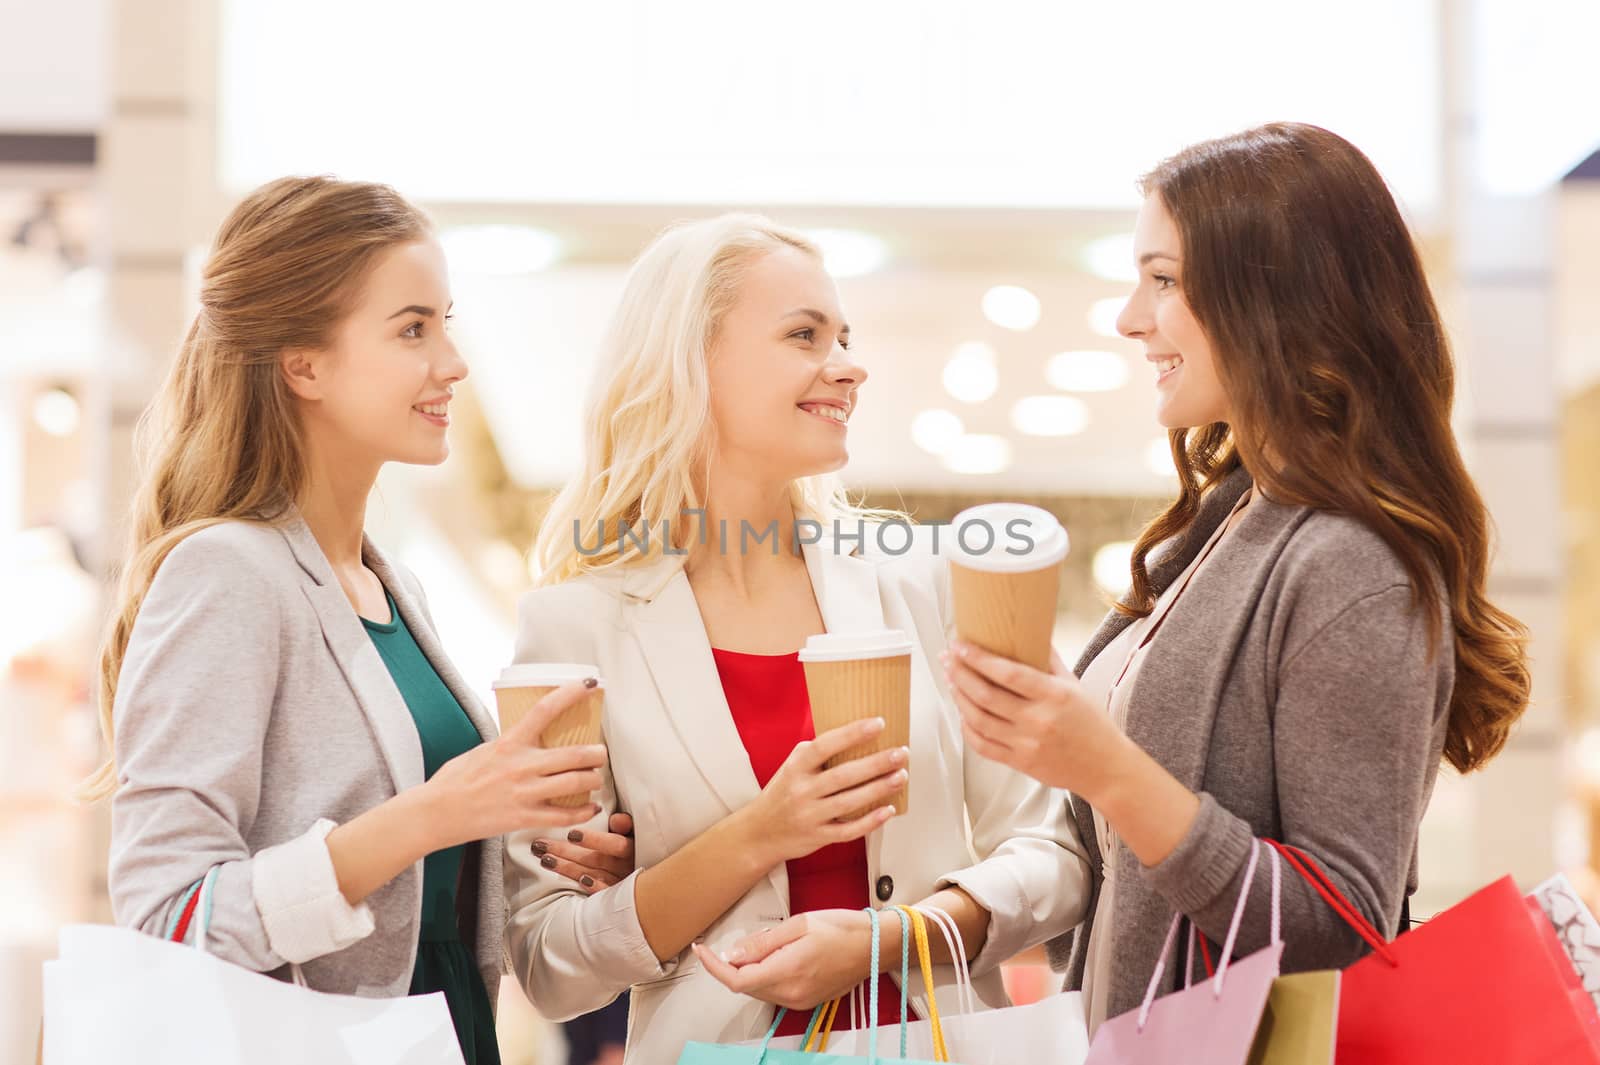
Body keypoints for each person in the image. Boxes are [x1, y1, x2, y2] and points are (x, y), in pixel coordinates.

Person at [943, 122, 1531, 1032]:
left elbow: (1342, 923)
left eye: (1164, 279)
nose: (1129, 316)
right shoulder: (1231, 517)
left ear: (1275, 297)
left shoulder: (1348, 561)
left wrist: (1107, 769)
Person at [504, 214, 1090, 1063]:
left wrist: (893, 937)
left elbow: (1055, 851)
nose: (850, 366)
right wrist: (760, 832)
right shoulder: (576, 625)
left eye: (844, 336)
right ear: (690, 362)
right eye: (805, 335)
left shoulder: (925, 587)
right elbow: (549, 960)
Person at [91, 176, 616, 1064]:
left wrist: (542, 847)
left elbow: (430, 885)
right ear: (304, 363)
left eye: (446, 322)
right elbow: (163, 915)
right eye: (413, 328)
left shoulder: (388, 583)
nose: (452, 362)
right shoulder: (227, 572)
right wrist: (429, 816)